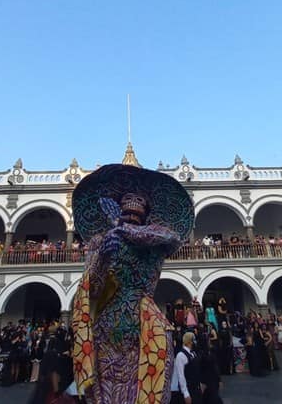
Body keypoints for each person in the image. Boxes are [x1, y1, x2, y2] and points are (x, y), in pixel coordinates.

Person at [71, 164, 194, 404]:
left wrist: (121, 226)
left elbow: (171, 239)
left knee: (143, 387)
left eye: (137, 211)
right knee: (104, 392)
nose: (131, 213)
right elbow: (92, 288)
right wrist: (103, 257)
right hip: (107, 326)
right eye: (126, 209)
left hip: (144, 321)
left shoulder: (155, 239)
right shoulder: (101, 241)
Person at [172, 332, 203, 404]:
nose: (195, 342)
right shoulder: (181, 355)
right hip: (189, 389)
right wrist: (186, 393)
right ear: (189, 342)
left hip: (196, 388)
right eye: (194, 340)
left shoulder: (193, 353)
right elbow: (181, 376)